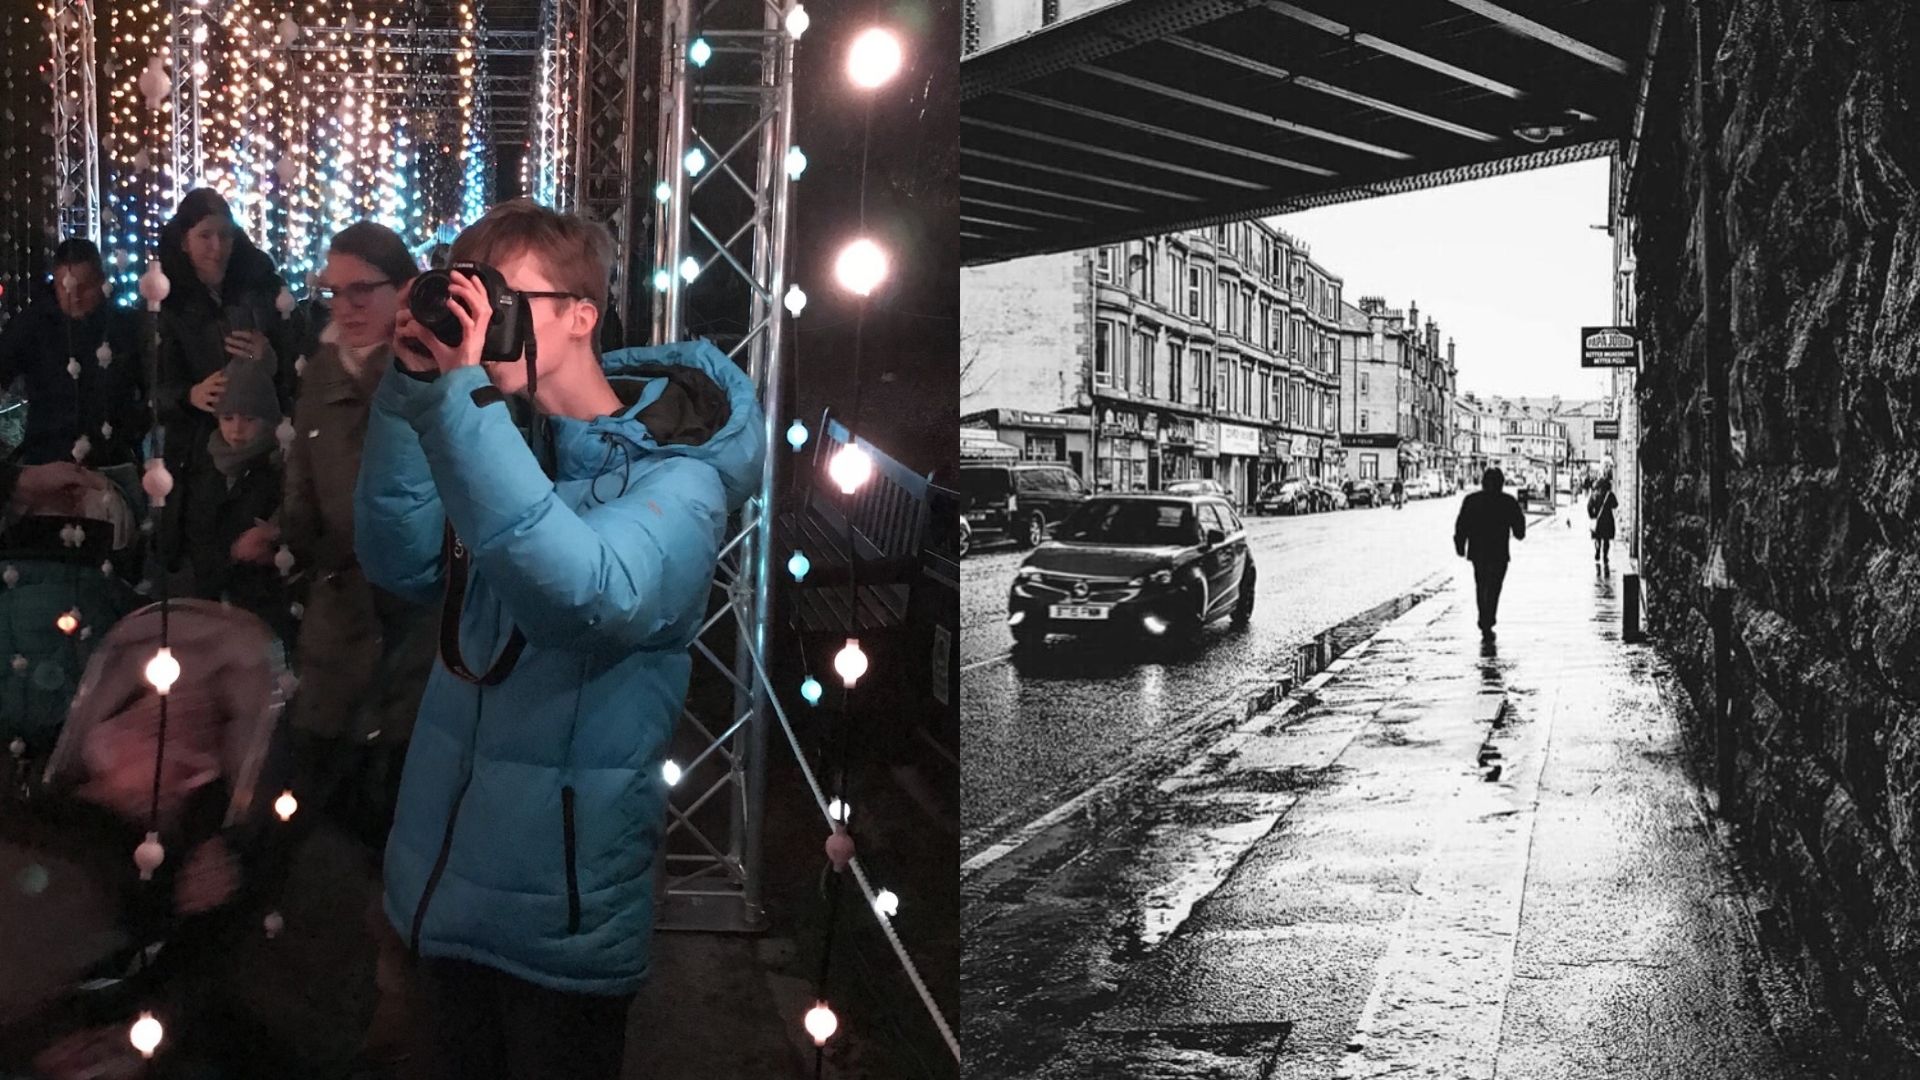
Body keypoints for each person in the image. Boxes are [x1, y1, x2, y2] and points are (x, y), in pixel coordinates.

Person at [354, 200, 764, 1079]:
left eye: (502, 297)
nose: (478, 318)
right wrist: (409, 392)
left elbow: (582, 599)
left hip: (560, 925)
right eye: (468, 291)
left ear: (581, 316)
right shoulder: (494, 434)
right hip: (439, 891)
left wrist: (459, 408)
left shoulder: (682, 482)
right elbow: (398, 560)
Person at [244, 221, 437, 1077]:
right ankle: (305, 983)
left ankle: (401, 996)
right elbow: (303, 494)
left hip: (413, 647)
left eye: (365, 288)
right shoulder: (320, 375)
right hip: (333, 643)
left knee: (399, 820)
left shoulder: (436, 372)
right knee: (302, 805)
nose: (348, 306)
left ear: (402, 290)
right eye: (335, 291)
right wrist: (277, 534)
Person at [153, 189, 295, 575]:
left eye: (226, 236)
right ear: (184, 241)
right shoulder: (167, 302)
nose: (217, 247)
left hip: (266, 448)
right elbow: (150, 384)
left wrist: (272, 358)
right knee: (208, 549)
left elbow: (300, 357)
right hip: (200, 453)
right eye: (205, 236)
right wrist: (189, 394)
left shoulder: (262, 287)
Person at [0, 239, 149, 468]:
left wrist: (134, 428)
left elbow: (153, 385)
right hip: (47, 460)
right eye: (65, 287)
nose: (75, 296)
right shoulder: (33, 326)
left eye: (85, 287)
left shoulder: (125, 326)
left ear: (100, 281)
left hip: (113, 460)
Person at [180, 356, 289, 638]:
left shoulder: (280, 469)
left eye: (249, 419)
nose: (237, 429)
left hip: (262, 609)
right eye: (228, 418)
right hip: (207, 602)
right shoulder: (205, 463)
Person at [1454, 466, 1526, 640]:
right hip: (1499, 552)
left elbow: (1461, 524)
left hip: (1478, 552)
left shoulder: (1471, 500)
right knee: (1494, 587)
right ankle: (1488, 618)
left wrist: (1460, 544)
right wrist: (1517, 531)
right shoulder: (1508, 502)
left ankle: (1484, 616)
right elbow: (1519, 530)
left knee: (1481, 584)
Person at [1588, 477, 1619, 572]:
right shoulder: (1610, 495)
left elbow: (1589, 506)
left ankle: (1597, 551)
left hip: (1598, 521)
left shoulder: (1595, 495)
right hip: (1608, 520)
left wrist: (1593, 516)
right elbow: (1615, 505)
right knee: (1606, 540)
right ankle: (1605, 556)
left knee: (1597, 538)